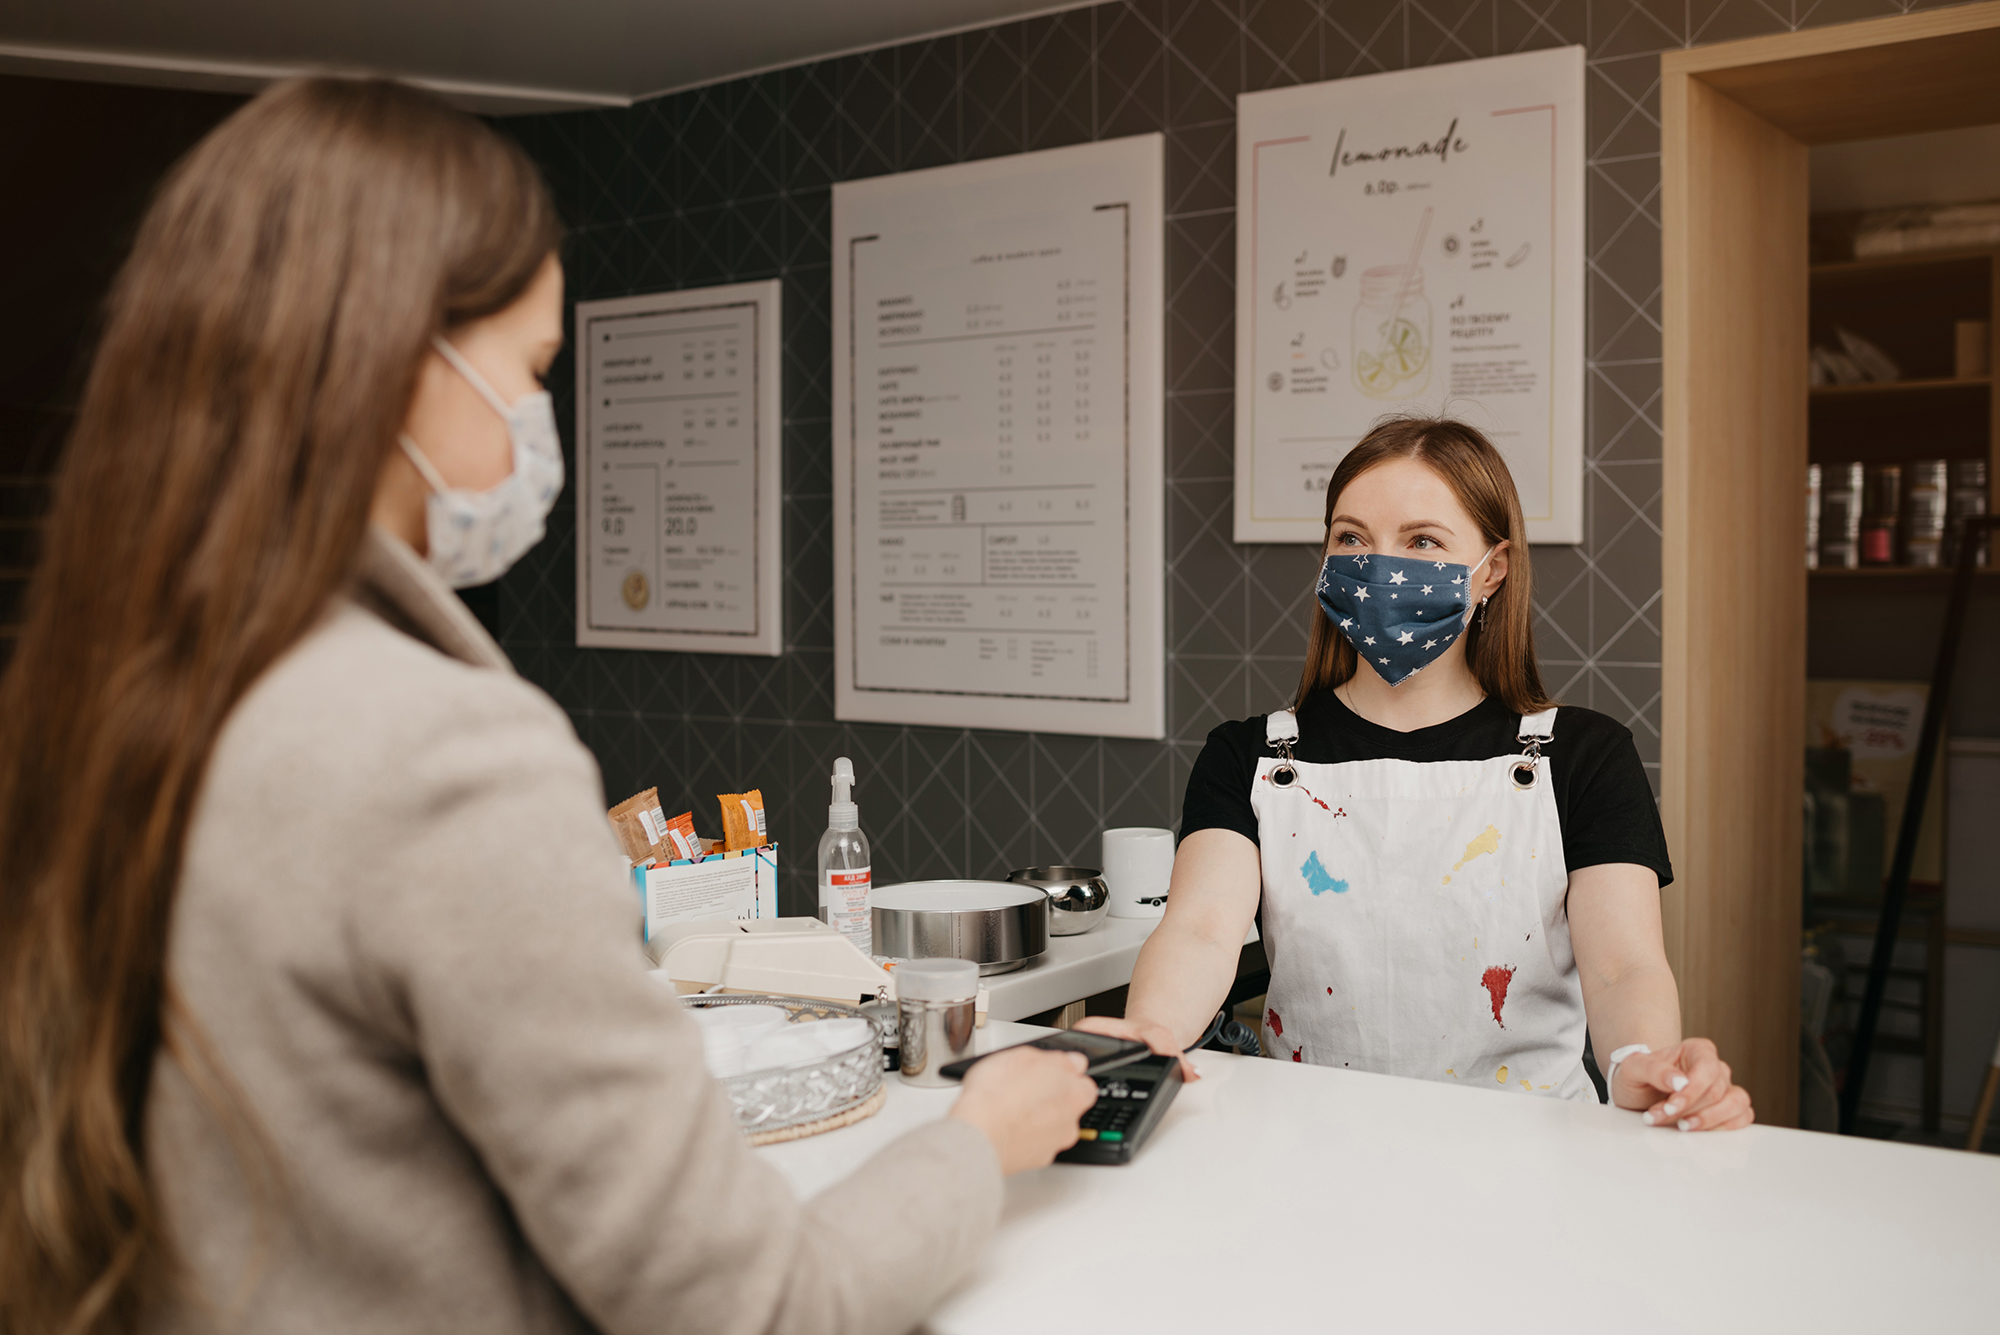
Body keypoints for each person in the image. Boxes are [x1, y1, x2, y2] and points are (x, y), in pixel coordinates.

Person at [0, 78, 1098, 1335]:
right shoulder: (444, 752)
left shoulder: (115, 698)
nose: (538, 423)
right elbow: (751, 1307)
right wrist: (977, 1141)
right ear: (399, 355)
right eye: (529, 370)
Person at [1079, 417, 1753, 1132]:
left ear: (1491, 570)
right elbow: (1201, 932)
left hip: (1527, 1159)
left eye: (1422, 541)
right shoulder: (1251, 755)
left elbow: (1623, 967)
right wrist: (1153, 1028)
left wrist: (1640, 1060)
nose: (1379, 564)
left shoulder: (1582, 753)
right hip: (1306, 1145)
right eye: (1352, 538)